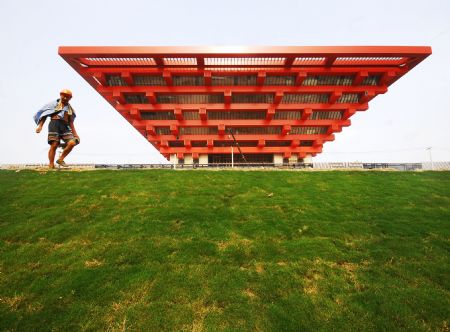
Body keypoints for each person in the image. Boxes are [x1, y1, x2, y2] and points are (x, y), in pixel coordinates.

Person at [34, 89, 80, 169]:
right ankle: (51, 165)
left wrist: (75, 134)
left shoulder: (70, 109)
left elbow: (71, 122)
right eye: (64, 96)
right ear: (60, 95)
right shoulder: (53, 104)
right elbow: (45, 115)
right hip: (54, 124)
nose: (65, 98)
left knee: (72, 143)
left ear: (70, 98)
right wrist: (40, 126)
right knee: (54, 144)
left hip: (65, 126)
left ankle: (61, 159)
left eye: (67, 97)